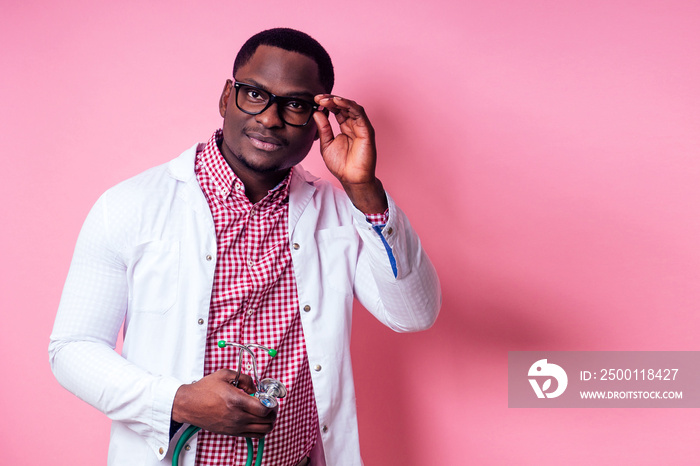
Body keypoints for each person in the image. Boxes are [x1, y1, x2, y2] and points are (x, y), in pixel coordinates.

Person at [49, 28, 441, 466]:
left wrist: (364, 189)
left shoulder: (342, 213)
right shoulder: (129, 205)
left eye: (295, 105)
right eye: (254, 94)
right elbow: (72, 348)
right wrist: (175, 401)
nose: (270, 119)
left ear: (318, 123)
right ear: (225, 99)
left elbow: (413, 314)